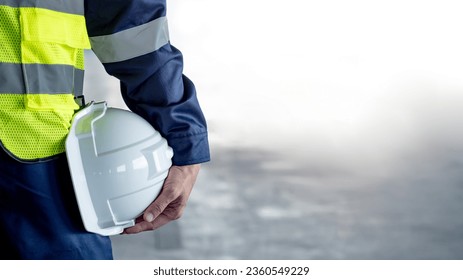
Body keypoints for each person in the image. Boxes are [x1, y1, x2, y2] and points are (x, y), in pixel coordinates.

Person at [0, 0, 210, 259]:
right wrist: (184, 139)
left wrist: (183, 136)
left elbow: (131, 27)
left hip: (33, 151)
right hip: (34, 152)